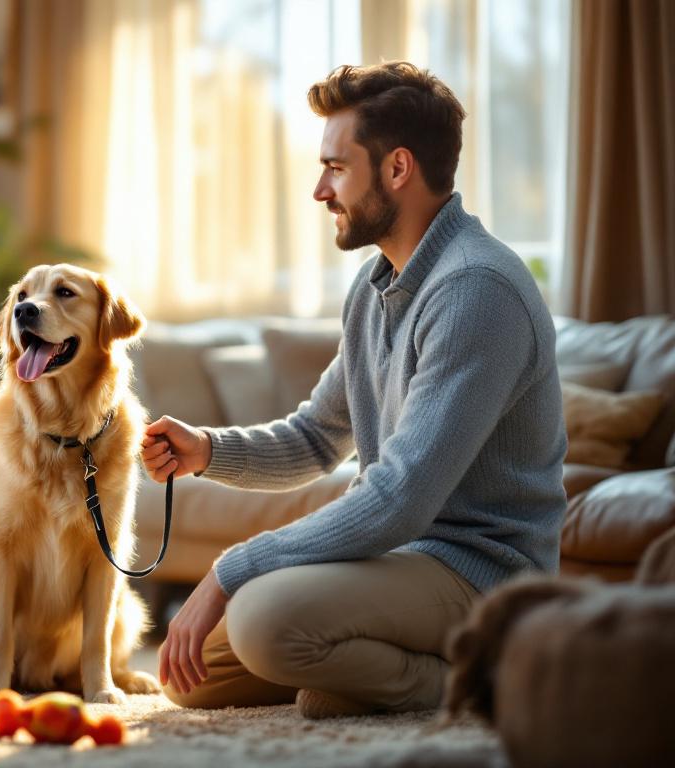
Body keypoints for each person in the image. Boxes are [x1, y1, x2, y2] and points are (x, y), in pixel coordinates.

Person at [140, 61, 566, 719]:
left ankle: (478, 682)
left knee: (259, 619)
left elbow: (398, 498)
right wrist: (206, 450)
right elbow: (316, 437)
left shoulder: (476, 291)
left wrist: (231, 569)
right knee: (188, 675)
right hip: (400, 563)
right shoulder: (375, 288)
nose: (318, 190)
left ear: (398, 169)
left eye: (336, 167)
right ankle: (351, 669)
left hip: (481, 576)